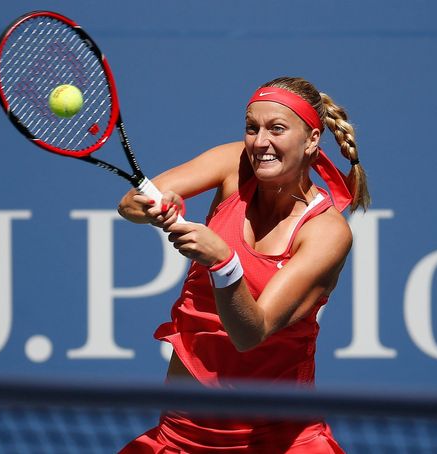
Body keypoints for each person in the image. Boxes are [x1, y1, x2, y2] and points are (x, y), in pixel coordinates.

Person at [117, 77, 369, 453]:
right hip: (180, 437)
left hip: (280, 441)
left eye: (277, 129)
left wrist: (223, 262)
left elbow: (251, 332)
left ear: (312, 139)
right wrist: (156, 206)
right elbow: (129, 203)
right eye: (252, 128)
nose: (260, 142)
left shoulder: (327, 233)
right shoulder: (233, 164)